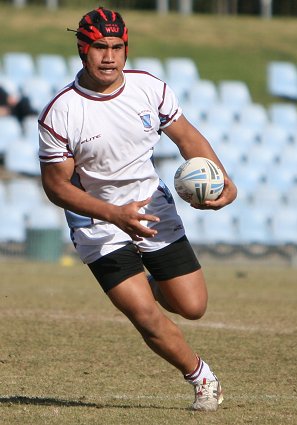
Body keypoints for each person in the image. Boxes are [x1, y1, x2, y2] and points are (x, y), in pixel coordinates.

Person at [38, 5, 237, 411]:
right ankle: (201, 378)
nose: (108, 56)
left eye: (116, 47)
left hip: (151, 206)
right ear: (82, 50)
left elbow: (187, 138)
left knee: (192, 306)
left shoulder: (150, 88)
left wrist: (223, 179)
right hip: (96, 219)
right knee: (144, 314)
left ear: (126, 49)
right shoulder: (62, 112)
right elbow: (57, 187)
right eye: (98, 47)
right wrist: (113, 215)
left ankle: (139, 284)